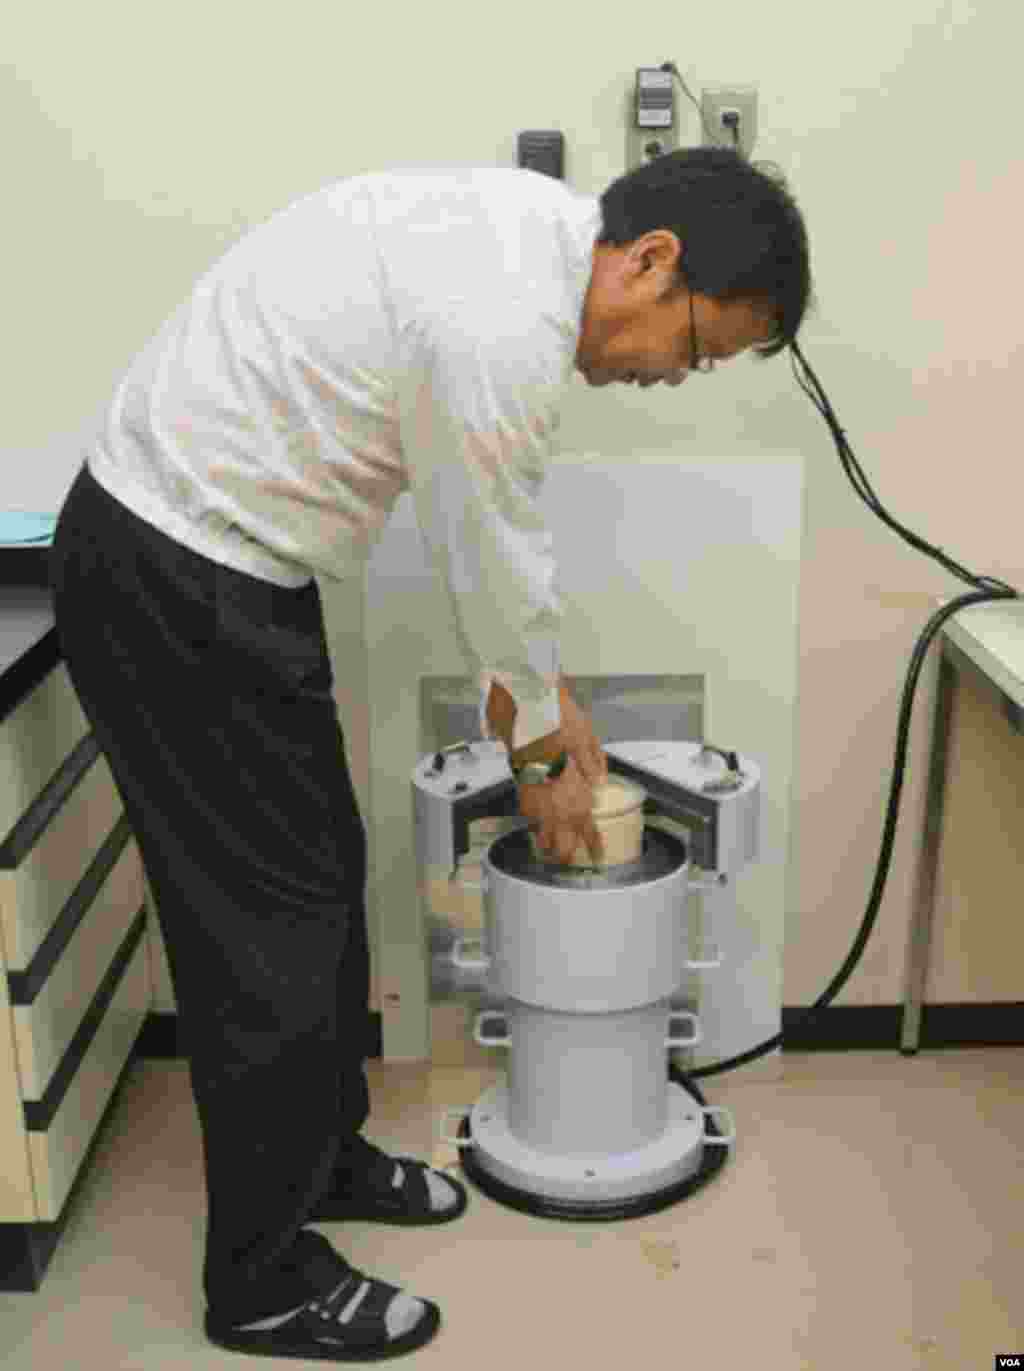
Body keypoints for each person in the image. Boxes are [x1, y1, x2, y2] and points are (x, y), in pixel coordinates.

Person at [49, 146, 811, 1362]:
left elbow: (502, 568)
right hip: (175, 569)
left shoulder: (521, 249)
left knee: (317, 882)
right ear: (653, 262)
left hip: (231, 571)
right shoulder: (504, 314)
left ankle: (324, 1157)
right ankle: (262, 1279)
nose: (675, 376)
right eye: (696, 346)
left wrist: (550, 718)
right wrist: (547, 760)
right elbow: (495, 562)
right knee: (267, 929)